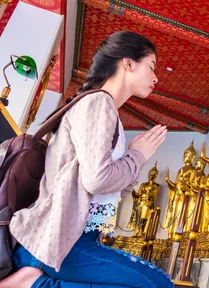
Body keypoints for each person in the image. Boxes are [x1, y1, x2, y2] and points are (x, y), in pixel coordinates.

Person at [1, 31, 172, 288]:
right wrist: (137, 156)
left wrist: (134, 156)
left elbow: (109, 184)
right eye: (151, 66)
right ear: (128, 63)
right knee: (157, 284)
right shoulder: (98, 103)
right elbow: (97, 180)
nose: (155, 77)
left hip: (78, 238)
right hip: (56, 240)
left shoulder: (105, 109)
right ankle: (32, 285)